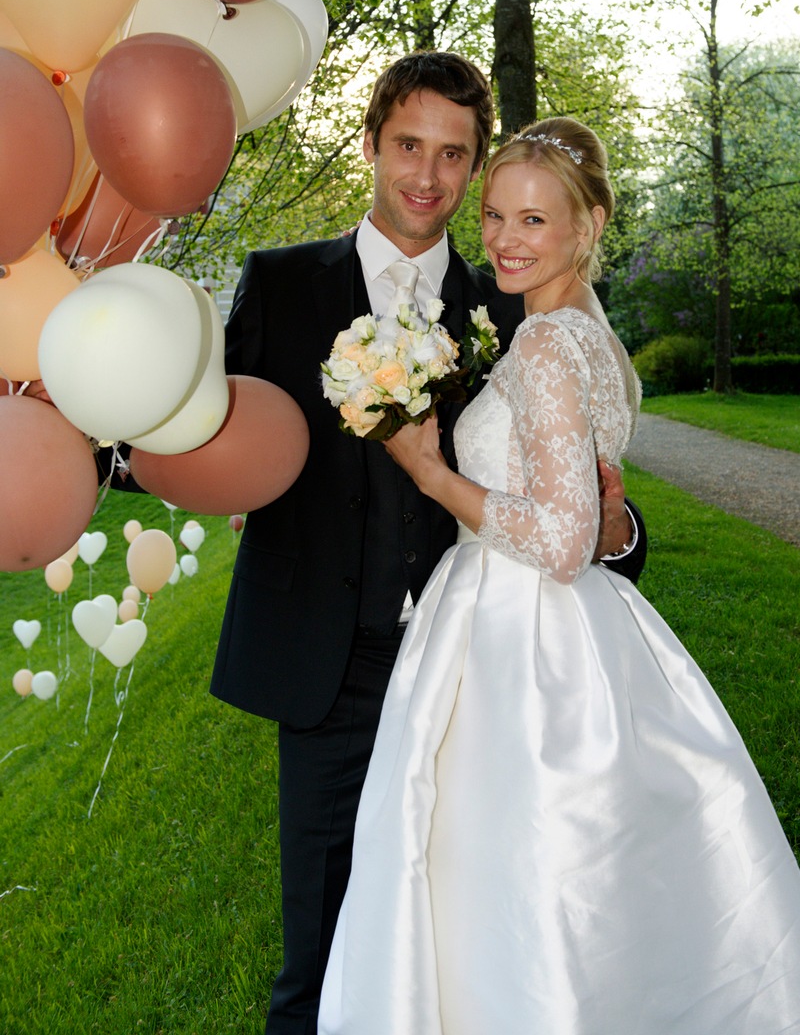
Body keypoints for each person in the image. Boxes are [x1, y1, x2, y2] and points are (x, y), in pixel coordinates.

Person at [317, 117, 800, 1034]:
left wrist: (429, 472)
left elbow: (562, 538)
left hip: (518, 639)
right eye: (495, 215)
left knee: (500, 878)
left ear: (585, 229)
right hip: (575, 628)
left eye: (533, 221)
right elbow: (591, 512)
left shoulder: (542, 347)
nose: (503, 237)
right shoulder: (583, 334)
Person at [211, 54, 646, 1034]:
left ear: (475, 166)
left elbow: (580, 501)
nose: (427, 175)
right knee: (320, 952)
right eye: (408, 144)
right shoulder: (279, 289)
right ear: (370, 143)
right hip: (332, 668)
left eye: (454, 155)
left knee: (467, 940)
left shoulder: (509, 302)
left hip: (481, 683)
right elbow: (207, 442)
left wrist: (619, 530)